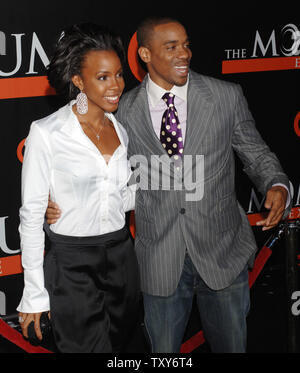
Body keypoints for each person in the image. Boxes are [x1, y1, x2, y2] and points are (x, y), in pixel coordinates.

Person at [46, 17, 290, 353]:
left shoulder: (225, 96)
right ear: (145, 54)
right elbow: (105, 176)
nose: (184, 53)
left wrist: (276, 184)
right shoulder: (122, 110)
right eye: (171, 46)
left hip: (222, 254)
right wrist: (61, 202)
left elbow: (256, 152)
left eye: (186, 44)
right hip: (158, 259)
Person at [17, 23, 140, 353]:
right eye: (103, 77)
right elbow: (30, 215)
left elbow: (118, 197)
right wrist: (34, 293)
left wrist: (157, 188)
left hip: (121, 257)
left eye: (118, 74)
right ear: (78, 81)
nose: (115, 85)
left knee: (121, 348)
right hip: (72, 264)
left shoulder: (120, 128)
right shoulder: (48, 132)